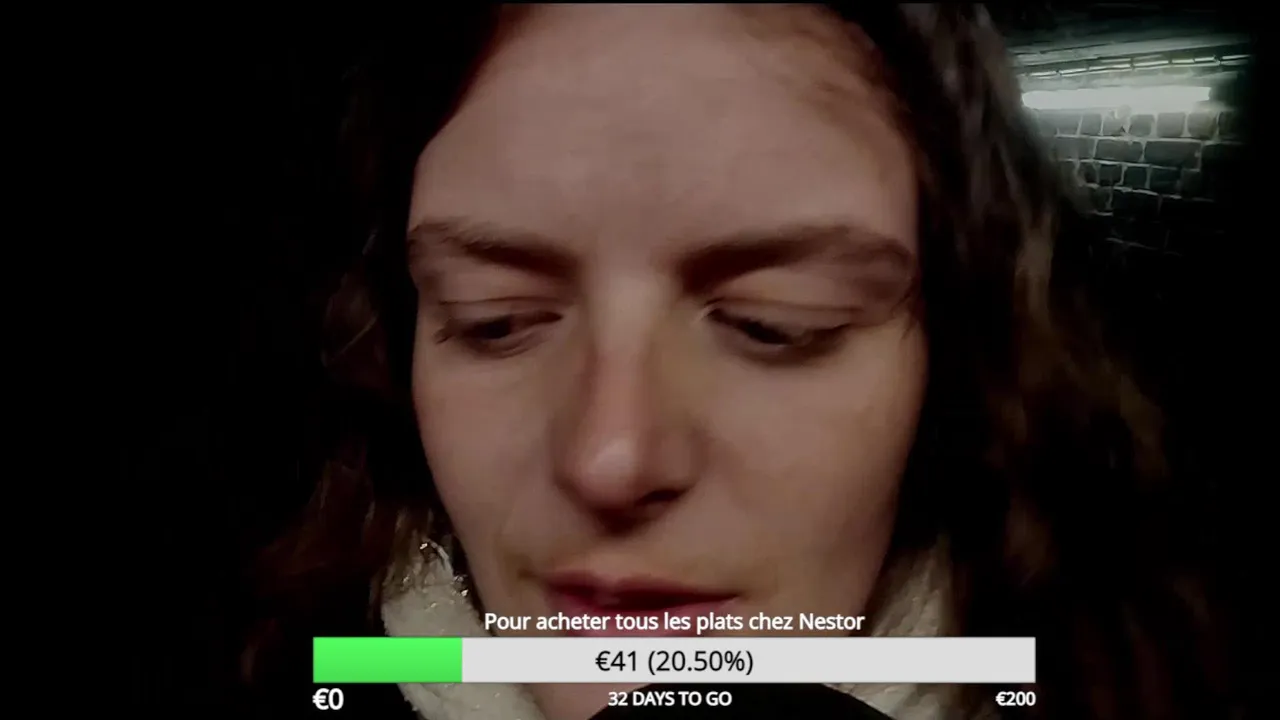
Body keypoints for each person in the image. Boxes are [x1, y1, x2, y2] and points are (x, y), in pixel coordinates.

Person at [243, 5, 1234, 719]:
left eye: (775, 325)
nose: (611, 457)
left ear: (955, 370)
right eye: (493, 321)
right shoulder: (299, 671)